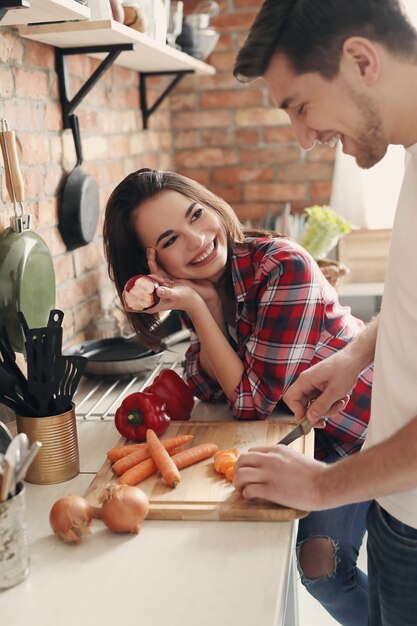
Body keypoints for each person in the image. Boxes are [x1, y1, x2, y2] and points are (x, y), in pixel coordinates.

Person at [103, 167, 373, 625]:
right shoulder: (212, 286)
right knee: (308, 566)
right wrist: (206, 305)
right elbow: (206, 382)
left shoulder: (282, 265)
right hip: (313, 440)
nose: (196, 240)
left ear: (211, 205)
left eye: (196, 215)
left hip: (370, 433)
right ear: (152, 264)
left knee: (325, 568)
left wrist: (196, 307)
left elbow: (252, 403)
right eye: (169, 240)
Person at [232, 1, 417, 624]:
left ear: (361, 61)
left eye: (300, 106)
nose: (303, 137)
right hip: (398, 509)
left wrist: (317, 486)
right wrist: (356, 354)